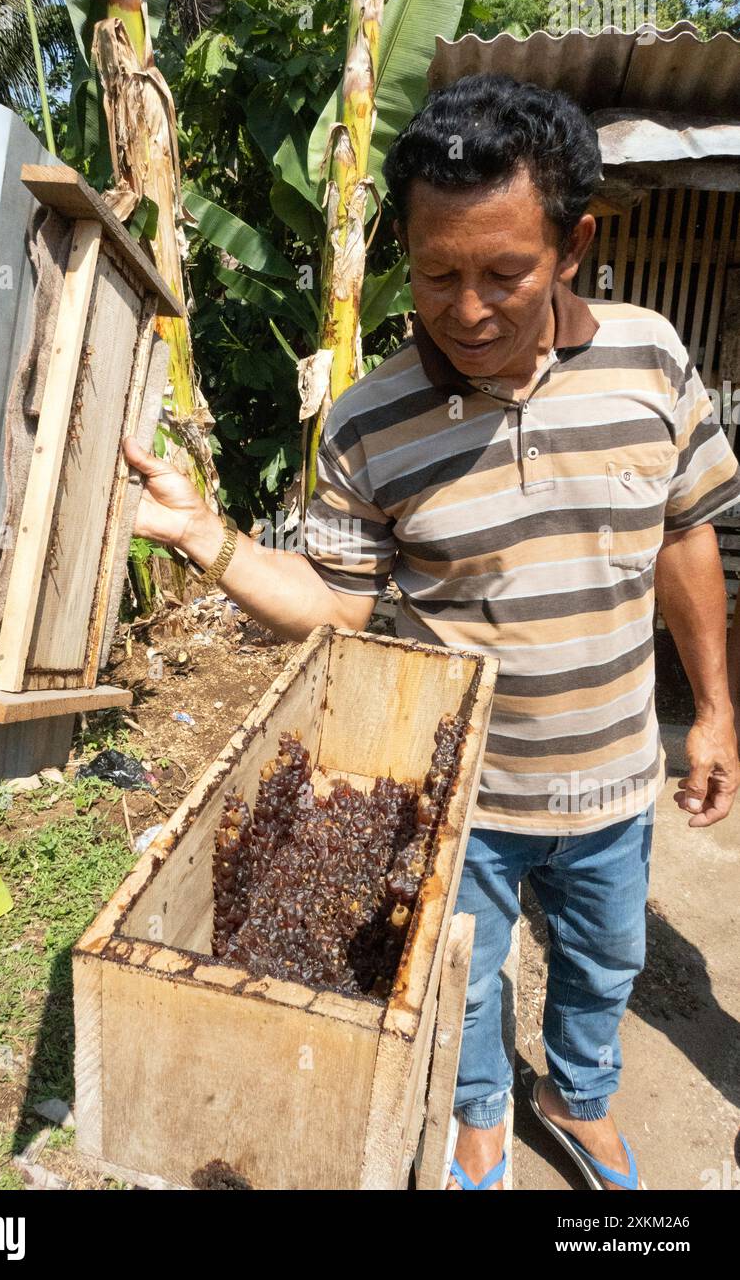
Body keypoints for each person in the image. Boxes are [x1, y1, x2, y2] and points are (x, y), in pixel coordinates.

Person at [123, 73, 740, 1192]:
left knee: (606, 960)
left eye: (502, 272)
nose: (464, 309)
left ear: (571, 245)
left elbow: (683, 534)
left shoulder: (650, 360)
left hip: (610, 775)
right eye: (436, 271)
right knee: (455, 977)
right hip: (456, 795)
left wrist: (713, 711)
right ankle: (477, 1113)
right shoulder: (368, 421)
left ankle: (576, 1091)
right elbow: (337, 603)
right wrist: (210, 540)